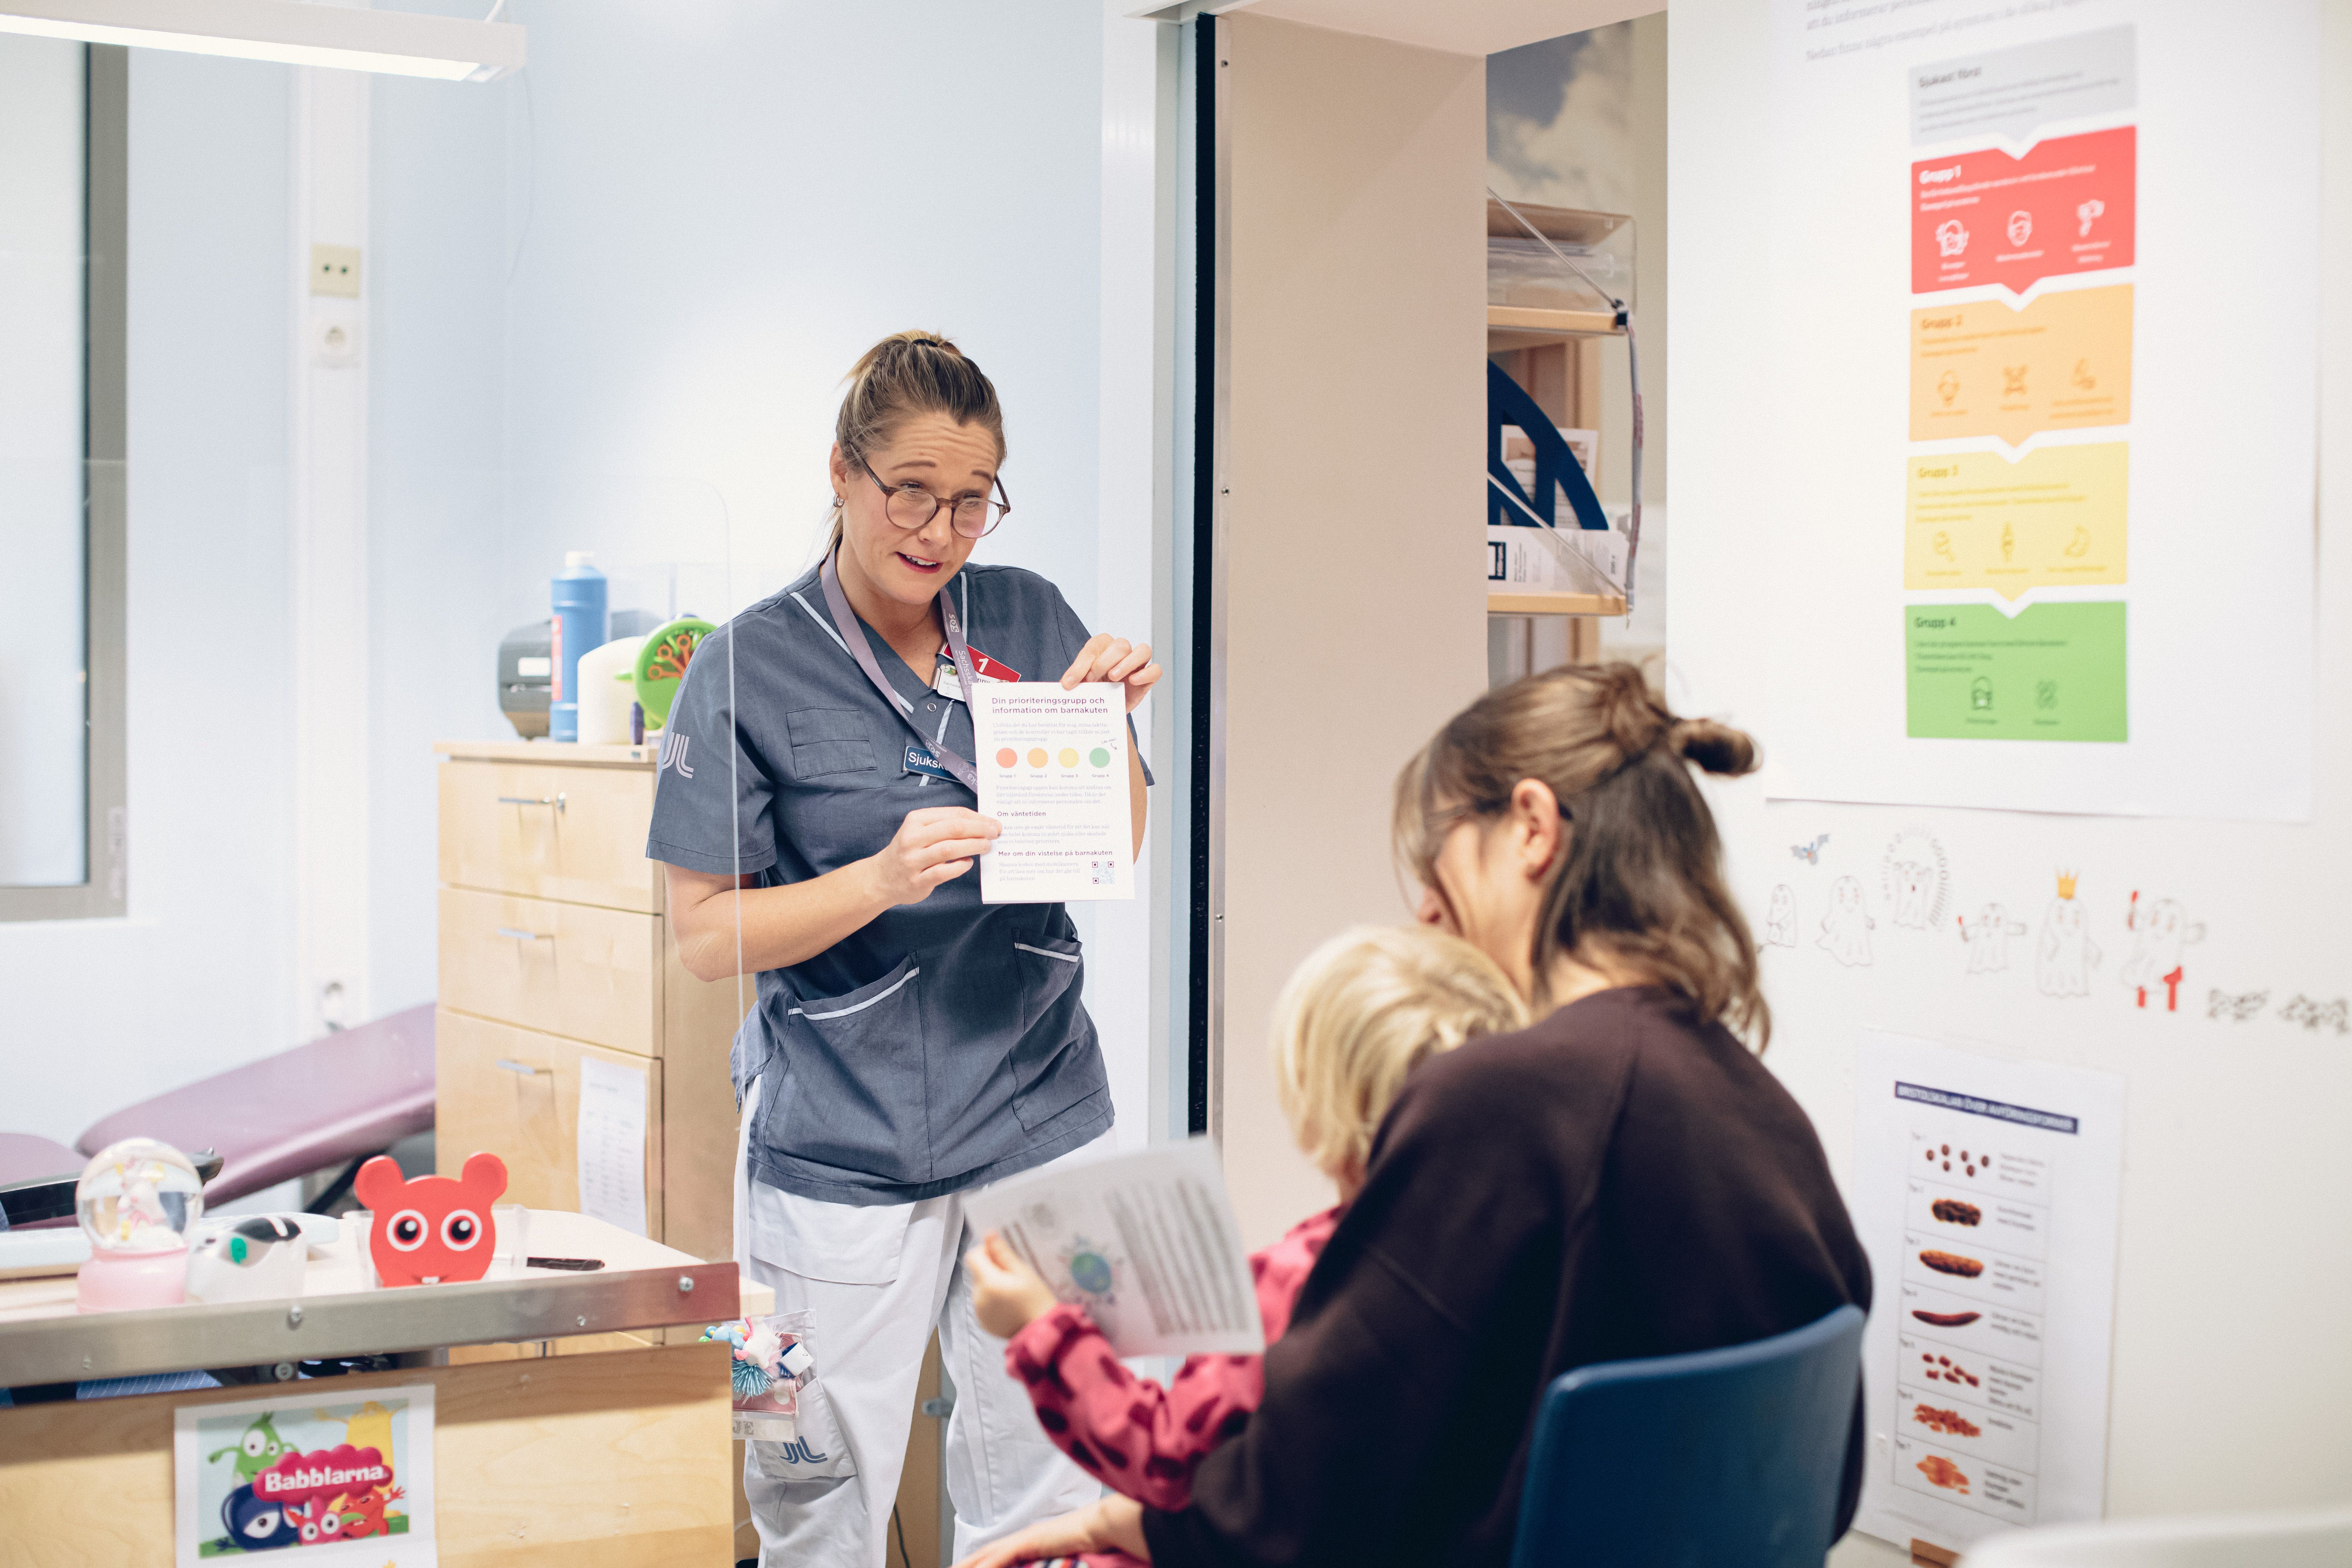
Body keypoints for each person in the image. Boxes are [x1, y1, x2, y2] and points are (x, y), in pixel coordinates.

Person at [954, 664, 1872, 1568]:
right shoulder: (1762, 1108)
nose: (1429, 910)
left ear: (1532, 829)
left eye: (1438, 860)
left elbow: (1297, 1503)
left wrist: (1139, 1527)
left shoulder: (1502, 1098)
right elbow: (1820, 1486)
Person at [645, 330, 1160, 1568]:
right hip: (832, 1143)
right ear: (843, 472)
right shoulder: (741, 669)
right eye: (911, 492)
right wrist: (875, 881)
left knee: (1050, 1480)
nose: (939, 530)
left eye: (971, 499)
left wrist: (1102, 726)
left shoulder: (1028, 613)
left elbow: (1119, 847)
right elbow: (706, 938)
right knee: (810, 1484)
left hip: (1034, 1108)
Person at [961, 926, 1527, 1533]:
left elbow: (1165, 1457)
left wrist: (1041, 1329)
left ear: (1317, 1119)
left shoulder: (1304, 1282)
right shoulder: (1524, 1261)